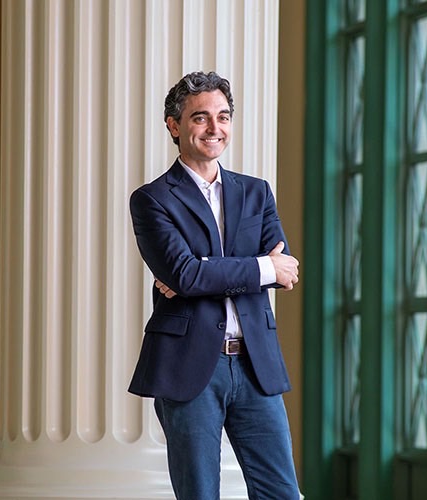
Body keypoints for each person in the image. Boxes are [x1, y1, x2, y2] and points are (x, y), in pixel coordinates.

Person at [127, 71, 301, 500]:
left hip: (254, 364)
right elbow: (186, 275)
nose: (214, 128)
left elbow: (286, 271)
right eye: (200, 118)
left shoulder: (256, 192)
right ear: (174, 125)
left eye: (222, 117)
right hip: (189, 368)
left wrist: (206, 273)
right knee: (200, 494)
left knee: (282, 493)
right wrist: (259, 268)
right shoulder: (152, 199)